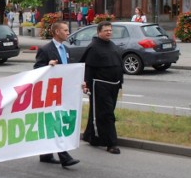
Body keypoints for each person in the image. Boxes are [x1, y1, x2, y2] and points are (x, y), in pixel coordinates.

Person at [33, 21, 81, 167]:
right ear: (56, 32)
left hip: (64, 91)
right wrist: (48, 65)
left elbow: (69, 69)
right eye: (65, 30)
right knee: (56, 122)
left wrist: (79, 82)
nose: (68, 32)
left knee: (53, 121)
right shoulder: (46, 49)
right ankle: (64, 157)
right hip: (50, 92)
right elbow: (36, 69)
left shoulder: (66, 49)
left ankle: (46, 154)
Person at [81, 21, 124, 154]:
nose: (109, 32)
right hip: (100, 85)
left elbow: (118, 65)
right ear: (99, 32)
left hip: (114, 85)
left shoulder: (112, 45)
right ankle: (111, 143)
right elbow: (88, 68)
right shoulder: (93, 47)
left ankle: (92, 136)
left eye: (110, 30)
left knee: (100, 112)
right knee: (107, 114)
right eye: (106, 30)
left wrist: (120, 82)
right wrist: (86, 84)